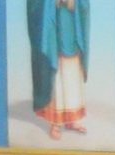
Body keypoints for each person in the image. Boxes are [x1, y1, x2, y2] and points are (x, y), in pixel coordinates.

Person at [28, 0, 91, 137]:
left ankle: (72, 119)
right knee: (55, 74)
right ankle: (55, 122)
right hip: (53, 29)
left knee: (72, 72)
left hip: (72, 26)